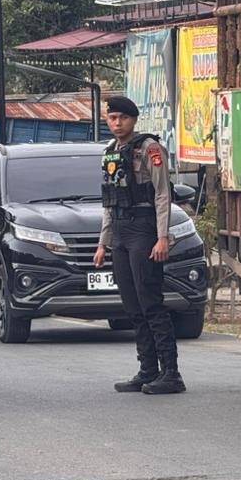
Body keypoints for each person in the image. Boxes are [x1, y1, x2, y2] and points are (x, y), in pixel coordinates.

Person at [93, 95, 185, 396]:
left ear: (134, 119)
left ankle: (171, 373)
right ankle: (147, 370)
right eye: (112, 118)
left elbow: (162, 195)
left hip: (144, 230)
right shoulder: (109, 152)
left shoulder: (150, 149)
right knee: (132, 306)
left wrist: (162, 237)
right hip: (119, 232)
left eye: (123, 118)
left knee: (150, 301)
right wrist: (103, 243)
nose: (117, 123)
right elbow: (109, 200)